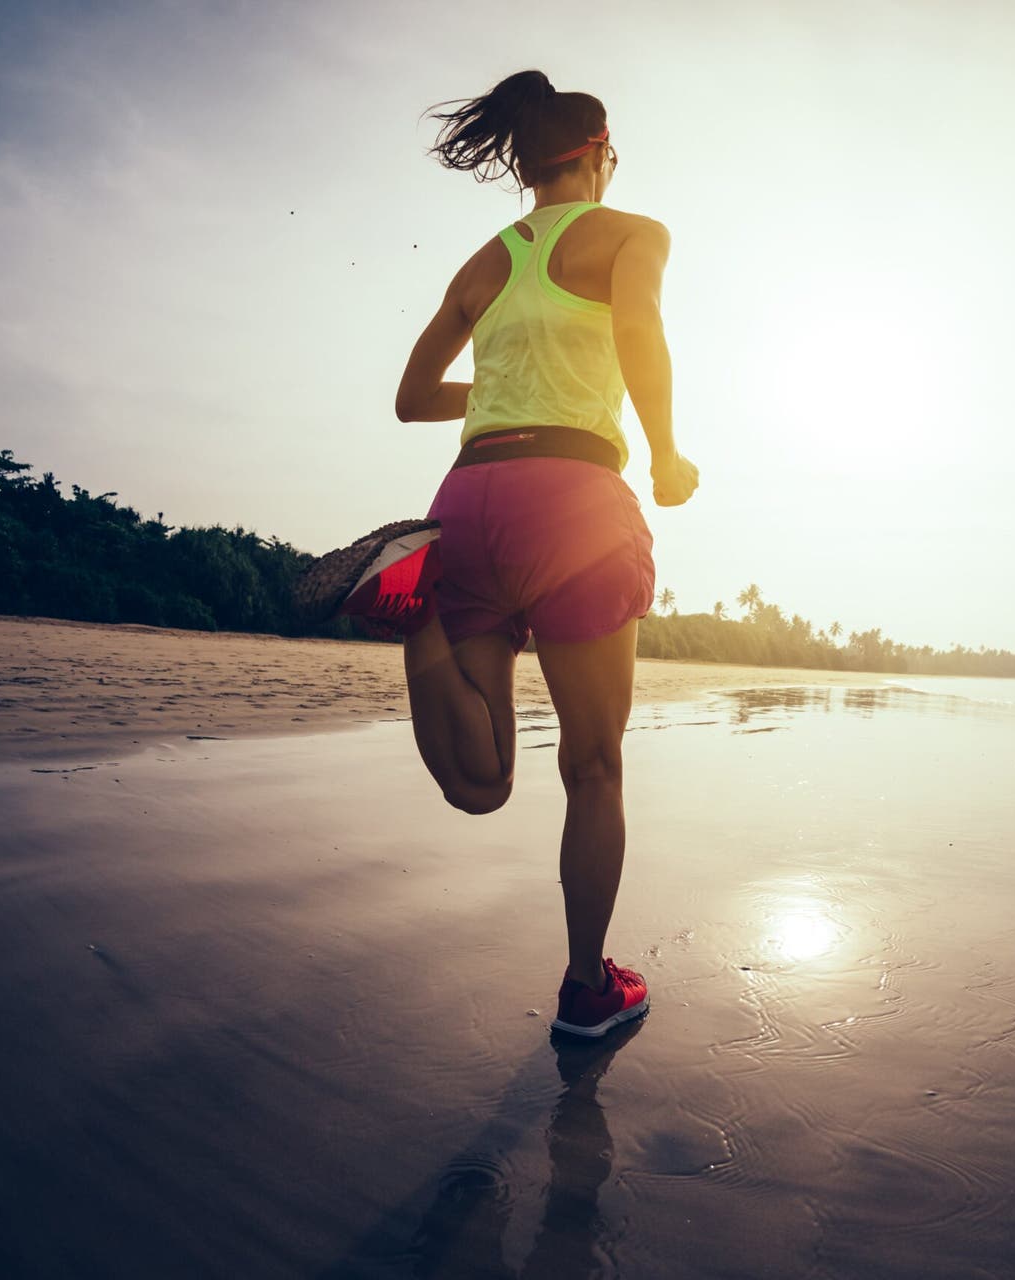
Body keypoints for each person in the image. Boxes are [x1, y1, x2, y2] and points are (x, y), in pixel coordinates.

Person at [313, 70, 698, 1038]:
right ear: (600, 154)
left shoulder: (483, 263)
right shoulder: (632, 234)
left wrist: (497, 392)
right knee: (593, 765)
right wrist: (665, 451)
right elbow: (640, 330)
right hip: (572, 502)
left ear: (527, 166)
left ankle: (415, 607)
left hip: (469, 500)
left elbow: (411, 399)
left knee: (480, 782)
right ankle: (587, 988)